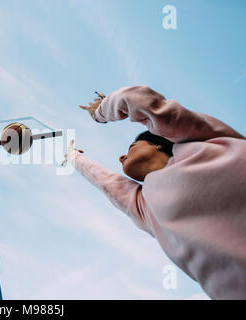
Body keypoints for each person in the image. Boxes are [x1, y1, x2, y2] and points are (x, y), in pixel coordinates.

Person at [65, 85, 246, 299]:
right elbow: (106, 182)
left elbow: (137, 100)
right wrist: (72, 156)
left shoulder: (199, 140)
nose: (121, 158)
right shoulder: (146, 207)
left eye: (130, 148)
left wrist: (101, 112)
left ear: (158, 143)